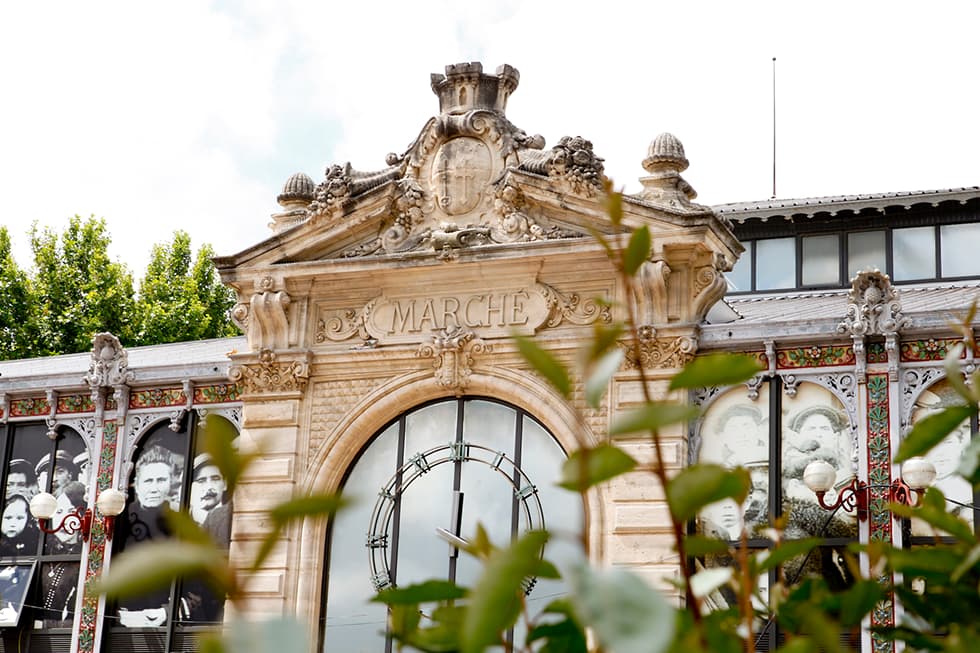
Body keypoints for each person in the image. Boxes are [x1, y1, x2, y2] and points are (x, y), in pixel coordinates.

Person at [117, 445, 177, 628]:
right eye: (148, 481)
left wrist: (167, 612)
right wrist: (114, 614)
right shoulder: (120, 522)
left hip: (163, 628)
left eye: (161, 480)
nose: (154, 488)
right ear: (137, 484)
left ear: (171, 482)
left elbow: (195, 589)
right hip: (119, 625)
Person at [44, 481, 87, 555]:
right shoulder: (46, 551)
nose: (63, 521)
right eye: (59, 512)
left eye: (71, 512)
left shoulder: (86, 552)